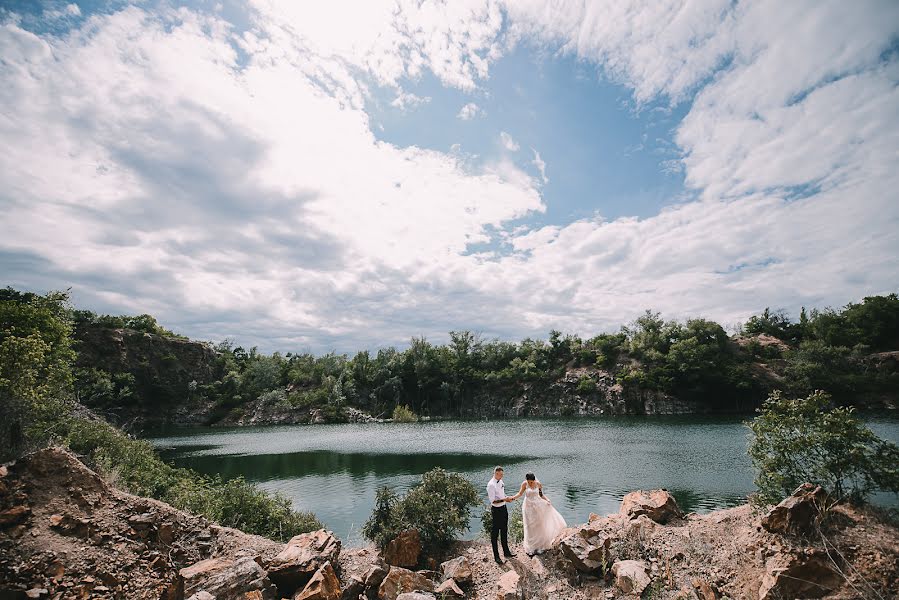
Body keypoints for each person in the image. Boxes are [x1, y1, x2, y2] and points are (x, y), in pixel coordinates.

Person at [509, 472, 567, 556]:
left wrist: (547, 499)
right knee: (529, 526)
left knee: (539, 525)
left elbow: (541, 495)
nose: (529, 483)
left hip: (537, 506)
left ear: (534, 480)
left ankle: (540, 546)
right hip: (528, 507)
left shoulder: (538, 484)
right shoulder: (524, 484)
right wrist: (513, 498)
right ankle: (531, 547)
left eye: (531, 482)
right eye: (528, 481)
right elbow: (520, 494)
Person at [486, 466, 516, 564]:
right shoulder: (491, 485)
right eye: (501, 474)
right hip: (496, 510)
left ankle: (506, 552)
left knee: (504, 530)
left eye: (502, 474)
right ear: (496, 473)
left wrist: (507, 498)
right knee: (495, 533)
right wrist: (504, 499)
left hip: (503, 508)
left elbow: (501, 494)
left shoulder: (501, 481)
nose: (502, 476)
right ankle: (496, 556)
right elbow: (493, 501)